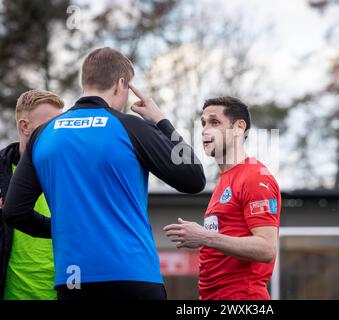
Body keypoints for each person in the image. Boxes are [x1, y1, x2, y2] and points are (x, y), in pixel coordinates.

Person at [2, 47, 206, 300]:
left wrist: (64, 228)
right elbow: (194, 178)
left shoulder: (44, 134)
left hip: (74, 280)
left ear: (85, 81)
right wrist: (162, 122)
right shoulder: (130, 126)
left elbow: (14, 212)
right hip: (133, 276)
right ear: (121, 84)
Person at [164, 96, 281, 300]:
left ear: (238, 128)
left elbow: (266, 249)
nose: (205, 130)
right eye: (203, 123)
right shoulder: (225, 181)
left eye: (214, 122)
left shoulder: (254, 177)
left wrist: (204, 237)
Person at [0, 90, 64, 300]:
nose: (57, 132)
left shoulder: (72, 173)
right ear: (24, 126)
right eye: (49, 125)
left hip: (65, 292)